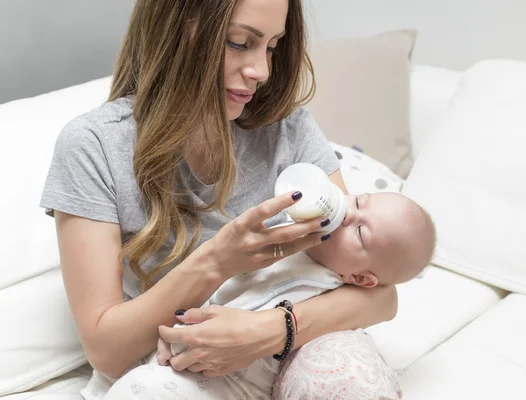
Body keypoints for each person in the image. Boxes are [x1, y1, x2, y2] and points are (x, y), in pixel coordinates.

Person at [40, 0, 405, 398]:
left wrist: (271, 331)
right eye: (239, 42)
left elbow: (379, 293)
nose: (261, 72)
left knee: (349, 378)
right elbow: (106, 350)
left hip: (294, 344)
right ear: (176, 29)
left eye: (271, 47)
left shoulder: (287, 127)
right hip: (180, 365)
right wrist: (218, 261)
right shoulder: (94, 146)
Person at [159, 191, 435, 361]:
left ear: (360, 278)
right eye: (360, 201)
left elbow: (244, 318)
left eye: (361, 233)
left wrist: (182, 337)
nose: (348, 213)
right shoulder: (294, 234)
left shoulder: (316, 286)